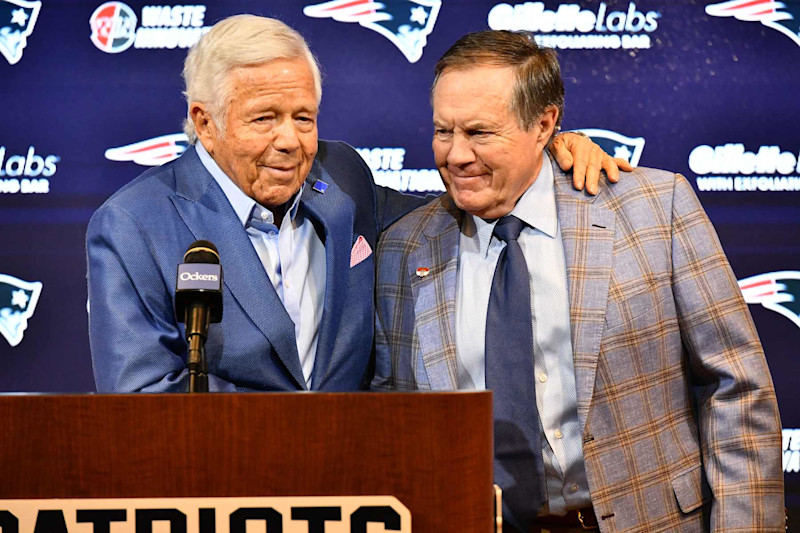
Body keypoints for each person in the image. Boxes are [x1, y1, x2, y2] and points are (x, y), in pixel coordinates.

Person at [372, 30, 784, 532]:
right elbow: (390, 425)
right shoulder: (403, 247)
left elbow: (736, 391)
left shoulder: (655, 207)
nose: (455, 155)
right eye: (443, 132)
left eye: (479, 133)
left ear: (544, 124)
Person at [86, 15, 624, 392]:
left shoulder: (341, 174)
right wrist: (308, 434)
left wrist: (546, 145)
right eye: (264, 118)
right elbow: (144, 397)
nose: (290, 141)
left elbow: (463, 199)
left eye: (304, 116)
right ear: (205, 122)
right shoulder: (134, 225)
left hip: (355, 493)